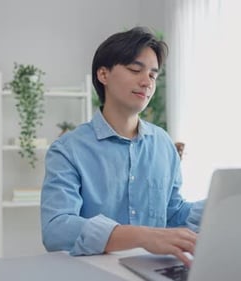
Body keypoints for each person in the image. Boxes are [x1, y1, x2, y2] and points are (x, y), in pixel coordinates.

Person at [40, 27, 204, 267]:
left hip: (153, 270)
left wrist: (223, 205)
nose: (147, 81)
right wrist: (142, 236)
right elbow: (56, 229)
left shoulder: (163, 144)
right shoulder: (67, 150)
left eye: (153, 75)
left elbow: (173, 214)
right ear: (103, 75)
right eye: (136, 69)